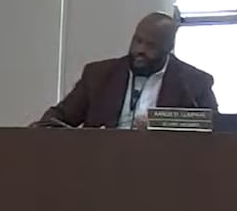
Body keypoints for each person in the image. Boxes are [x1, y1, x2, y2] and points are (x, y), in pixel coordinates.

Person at [37, 11, 217, 128]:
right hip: (101, 167)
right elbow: (57, 118)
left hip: (166, 170)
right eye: (138, 41)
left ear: (168, 49)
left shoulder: (193, 83)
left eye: (151, 46)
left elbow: (216, 128)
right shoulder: (99, 76)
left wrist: (162, 122)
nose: (140, 51)